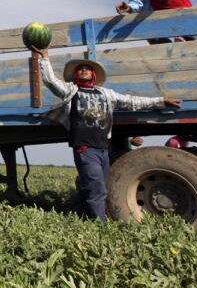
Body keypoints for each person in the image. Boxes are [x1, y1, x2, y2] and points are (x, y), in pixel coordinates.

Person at [33, 48, 181, 221]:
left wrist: (160, 101)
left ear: (93, 74)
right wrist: (44, 58)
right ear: (75, 75)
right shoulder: (71, 91)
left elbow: (132, 102)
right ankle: (100, 224)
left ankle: (75, 216)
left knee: (94, 186)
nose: (83, 70)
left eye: (87, 68)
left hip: (103, 148)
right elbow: (50, 81)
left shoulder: (106, 94)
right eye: (80, 68)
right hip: (85, 148)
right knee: (97, 189)